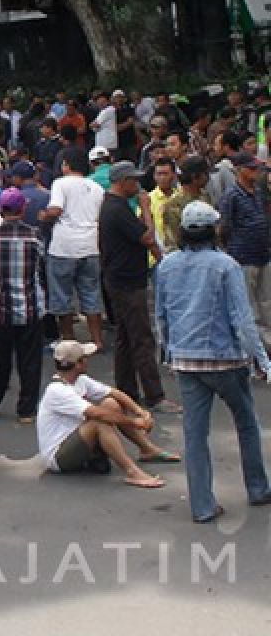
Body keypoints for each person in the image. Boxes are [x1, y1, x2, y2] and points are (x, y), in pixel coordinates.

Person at [156, 200, 271, 521]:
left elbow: (161, 316)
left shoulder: (167, 266)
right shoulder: (226, 266)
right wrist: (262, 361)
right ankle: (258, 488)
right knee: (247, 423)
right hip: (226, 361)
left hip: (186, 362)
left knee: (194, 435)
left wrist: (167, 351)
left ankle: (202, 506)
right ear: (214, 230)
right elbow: (242, 320)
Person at [36, 340, 175, 489]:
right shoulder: (57, 390)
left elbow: (113, 393)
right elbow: (97, 414)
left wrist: (140, 412)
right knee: (99, 422)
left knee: (110, 403)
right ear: (78, 364)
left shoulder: (80, 380)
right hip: (58, 457)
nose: (88, 361)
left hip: (79, 440)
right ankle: (132, 472)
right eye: (85, 358)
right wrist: (135, 422)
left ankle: (147, 449)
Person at [99, 160, 178, 412]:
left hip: (118, 278)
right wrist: (146, 209)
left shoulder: (113, 206)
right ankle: (155, 395)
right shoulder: (117, 209)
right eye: (133, 180)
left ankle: (126, 391)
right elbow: (146, 236)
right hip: (127, 281)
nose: (138, 184)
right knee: (142, 338)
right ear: (123, 182)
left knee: (125, 336)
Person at [0, 187, 46, 422]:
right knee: (30, 363)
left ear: (0, 209)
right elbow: (41, 266)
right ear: (23, 208)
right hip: (30, 308)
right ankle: (27, 410)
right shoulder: (35, 236)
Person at [40, 148, 105, 348]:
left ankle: (68, 340)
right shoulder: (96, 188)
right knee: (91, 293)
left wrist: (44, 215)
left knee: (62, 294)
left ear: (66, 165)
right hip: (90, 245)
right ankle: (97, 339)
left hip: (64, 247)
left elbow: (56, 209)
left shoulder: (60, 183)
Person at [218, 152, 271, 344]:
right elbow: (224, 227)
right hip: (244, 257)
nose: (256, 172)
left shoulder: (258, 192)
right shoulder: (231, 195)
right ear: (240, 170)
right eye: (251, 168)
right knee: (250, 308)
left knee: (266, 304)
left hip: (263, 255)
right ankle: (256, 350)